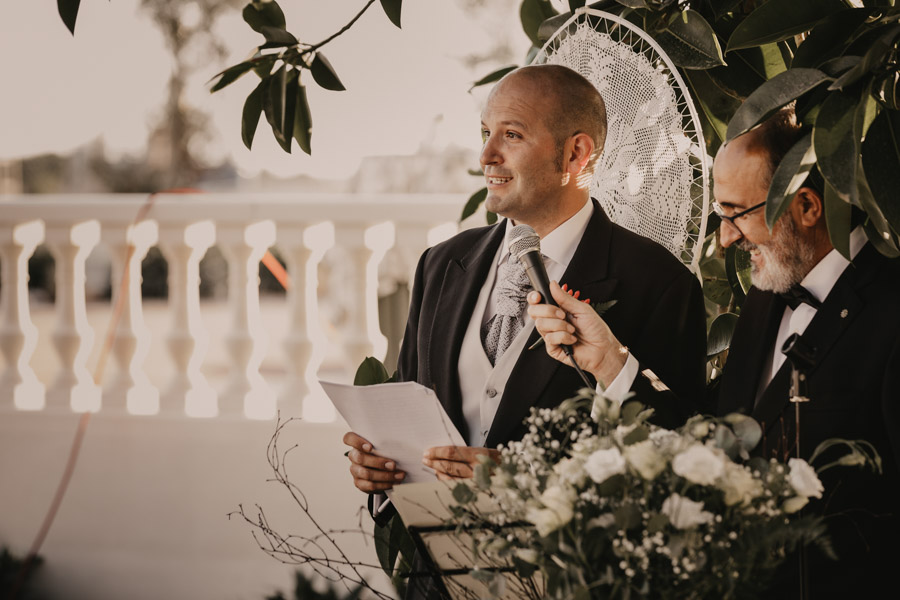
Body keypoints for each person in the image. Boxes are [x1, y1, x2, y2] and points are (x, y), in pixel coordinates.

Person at [344, 63, 707, 599]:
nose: (487, 155)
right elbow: (410, 408)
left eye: (511, 135)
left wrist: (529, 483)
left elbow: (678, 454)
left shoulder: (658, 284)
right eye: (485, 133)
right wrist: (380, 468)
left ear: (576, 154)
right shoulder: (440, 266)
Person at [530, 107, 900, 598]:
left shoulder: (891, 312)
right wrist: (608, 359)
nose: (724, 238)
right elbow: (707, 443)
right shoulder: (767, 295)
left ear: (807, 207)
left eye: (735, 214)